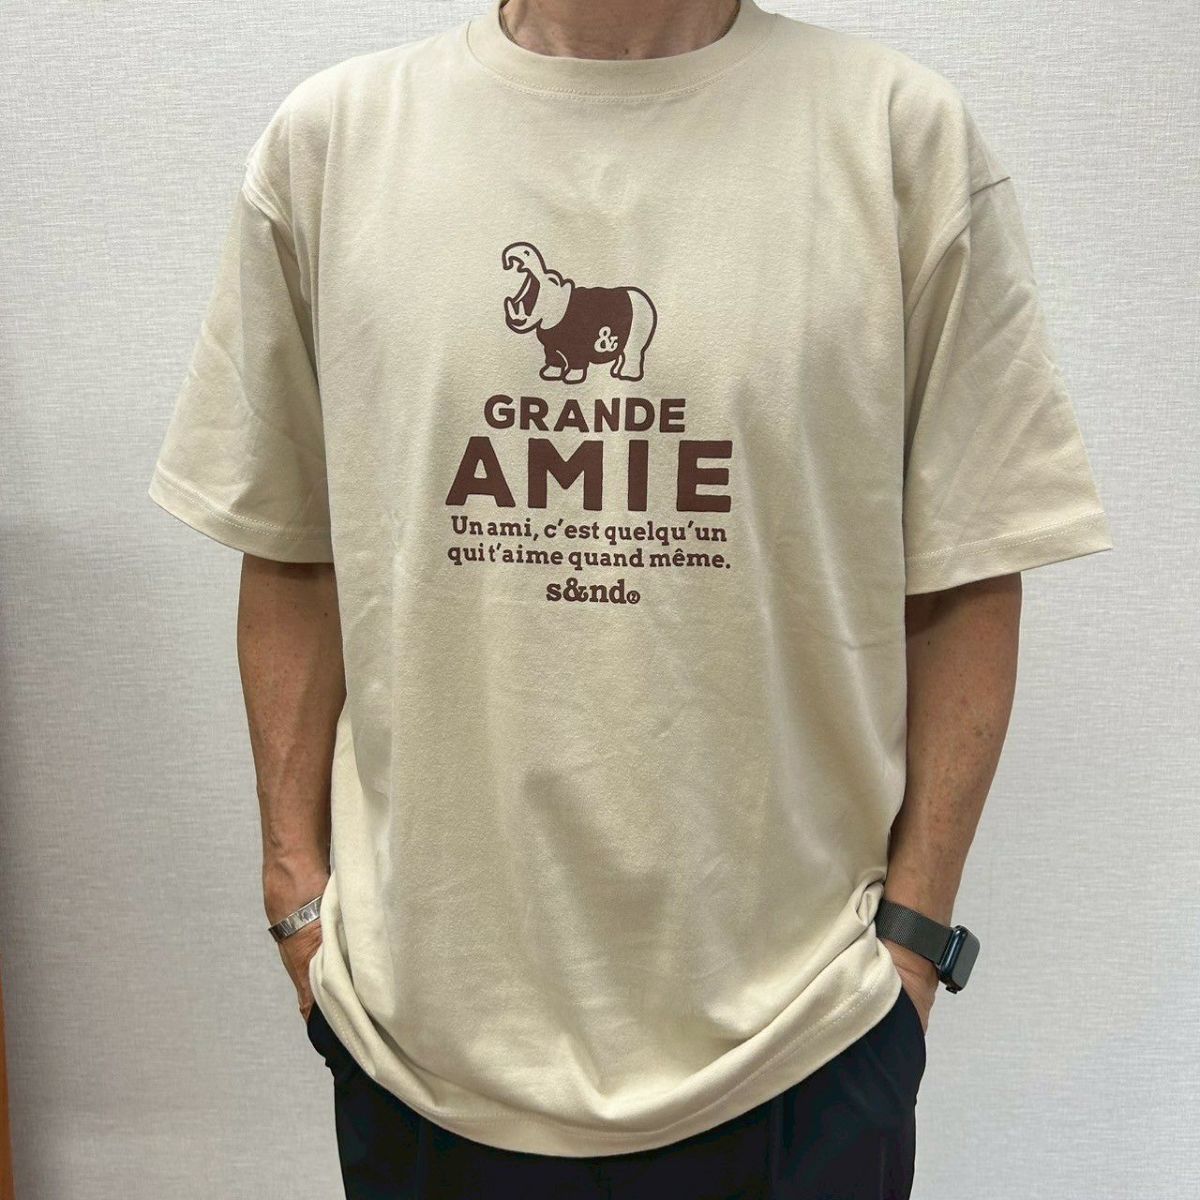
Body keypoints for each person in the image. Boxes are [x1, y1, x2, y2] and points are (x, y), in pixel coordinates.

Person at [147, 0, 1114, 1196]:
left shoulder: (898, 141)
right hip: (419, 1051)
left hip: (801, 1050)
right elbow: (293, 546)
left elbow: (972, 563)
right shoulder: (331, 147)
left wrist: (911, 949)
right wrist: (297, 897)